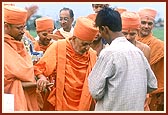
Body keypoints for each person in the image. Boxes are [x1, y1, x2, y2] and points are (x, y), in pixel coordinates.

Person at [88, 7, 158, 111]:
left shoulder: (108, 53)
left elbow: (95, 92)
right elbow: (152, 85)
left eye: (100, 31)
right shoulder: (138, 52)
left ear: (104, 29)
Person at [34, 17, 98, 111]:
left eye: (90, 44)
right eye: (84, 44)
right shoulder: (58, 46)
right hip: (60, 103)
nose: (87, 48)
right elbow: (40, 68)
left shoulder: (92, 55)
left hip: (84, 104)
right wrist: (42, 78)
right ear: (74, 38)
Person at [4, 5, 39, 111]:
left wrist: (39, 78)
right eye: (19, 28)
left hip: (27, 99)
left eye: (24, 27)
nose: (23, 31)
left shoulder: (22, 44)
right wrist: (35, 84)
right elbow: (6, 84)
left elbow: (29, 71)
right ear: (6, 26)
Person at [121, 11, 151, 110]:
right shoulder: (111, 49)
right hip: (119, 94)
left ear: (138, 32)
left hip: (138, 95)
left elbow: (145, 77)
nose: (128, 37)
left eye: (132, 34)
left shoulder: (144, 49)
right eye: (124, 33)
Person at [136, 7, 164, 111]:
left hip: (153, 95)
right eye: (143, 23)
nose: (146, 26)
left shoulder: (160, 46)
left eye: (150, 23)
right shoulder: (130, 41)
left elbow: (161, 74)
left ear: (153, 25)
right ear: (137, 23)